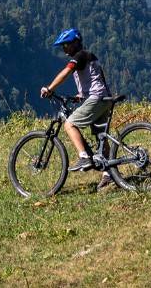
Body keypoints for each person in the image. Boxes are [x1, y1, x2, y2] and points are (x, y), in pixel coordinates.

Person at [39, 28, 116, 183]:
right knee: (101, 138)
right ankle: (108, 174)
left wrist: (50, 88)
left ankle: (84, 157)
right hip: (104, 98)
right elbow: (94, 79)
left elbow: (66, 73)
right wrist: (81, 96)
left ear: (75, 43)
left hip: (96, 98)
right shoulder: (88, 56)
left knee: (69, 124)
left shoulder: (79, 56)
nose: (64, 48)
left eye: (66, 45)